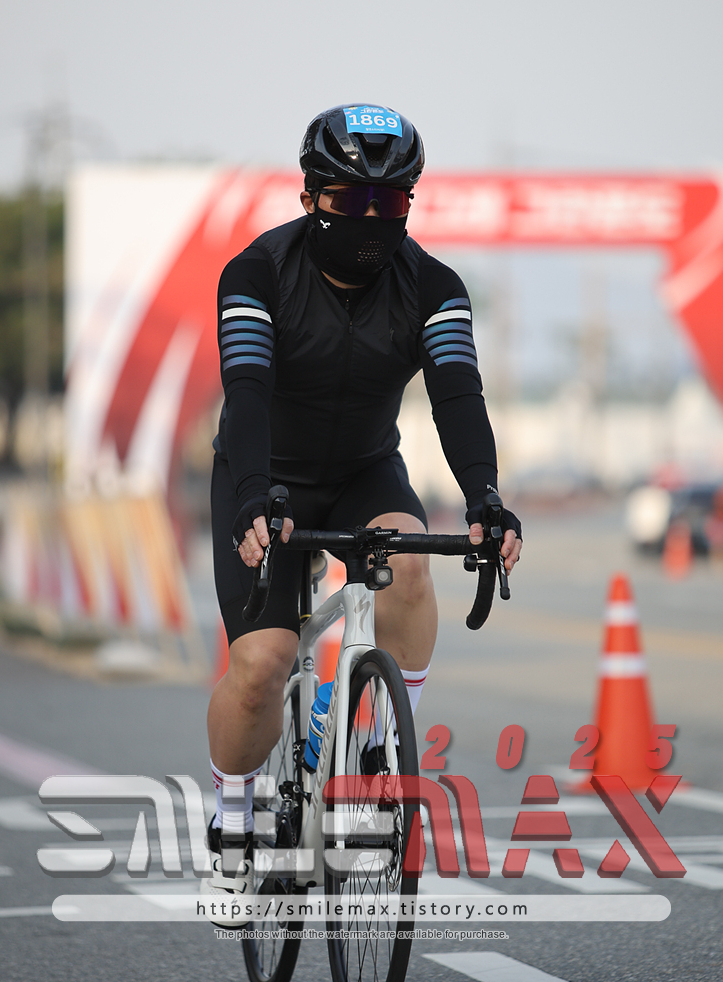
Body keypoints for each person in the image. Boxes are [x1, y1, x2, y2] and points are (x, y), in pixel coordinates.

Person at [203, 104, 521, 917]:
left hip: (364, 472)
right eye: (353, 201)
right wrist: (252, 499)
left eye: (392, 202)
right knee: (263, 666)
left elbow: (458, 395)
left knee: (409, 565)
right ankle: (233, 806)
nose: (372, 220)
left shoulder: (435, 287)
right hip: (263, 475)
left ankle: (380, 752)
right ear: (311, 197)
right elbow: (247, 392)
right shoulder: (256, 273)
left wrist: (485, 496)